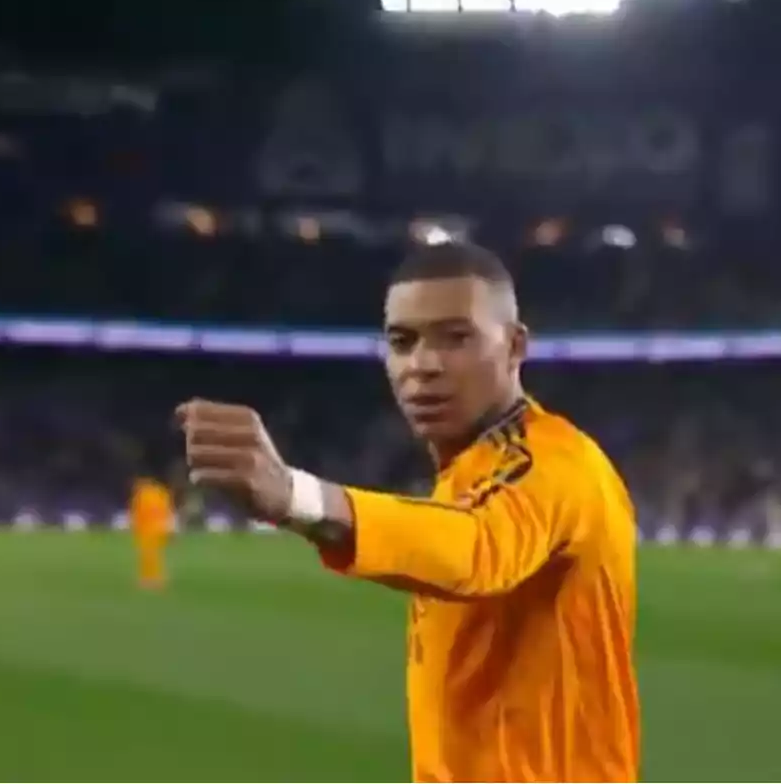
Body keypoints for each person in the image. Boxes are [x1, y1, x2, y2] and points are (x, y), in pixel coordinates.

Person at [175, 241, 640, 782]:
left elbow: (477, 548)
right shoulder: (470, 476)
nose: (423, 364)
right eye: (403, 341)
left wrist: (297, 497)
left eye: (456, 337)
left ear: (515, 346)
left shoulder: (557, 463)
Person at [129, 473, 174, 590]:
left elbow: (138, 513)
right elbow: (167, 511)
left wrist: (135, 525)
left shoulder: (143, 494)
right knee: (155, 555)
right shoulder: (161, 492)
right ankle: (155, 578)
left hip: (149, 529)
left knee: (149, 556)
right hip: (159, 528)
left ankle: (150, 579)